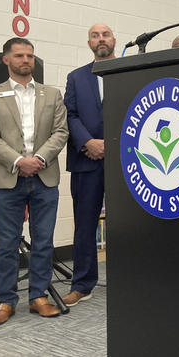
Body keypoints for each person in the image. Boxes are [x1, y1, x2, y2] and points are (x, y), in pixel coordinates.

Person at [0, 37, 68, 325]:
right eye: (20, 55)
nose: (26, 60)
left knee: (44, 241)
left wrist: (39, 160)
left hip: (44, 177)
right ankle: (6, 302)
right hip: (7, 179)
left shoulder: (52, 94)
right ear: (6, 60)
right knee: (8, 244)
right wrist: (18, 161)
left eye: (30, 55)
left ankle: (38, 297)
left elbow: (61, 131)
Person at [61, 23, 115, 307]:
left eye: (105, 34)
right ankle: (82, 284)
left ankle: (130, 279)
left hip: (124, 162)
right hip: (86, 160)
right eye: (95, 35)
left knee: (132, 225)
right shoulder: (76, 77)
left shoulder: (131, 71)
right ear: (89, 43)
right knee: (85, 225)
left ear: (114, 40)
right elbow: (69, 115)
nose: (101, 39)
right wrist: (88, 143)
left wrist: (112, 144)